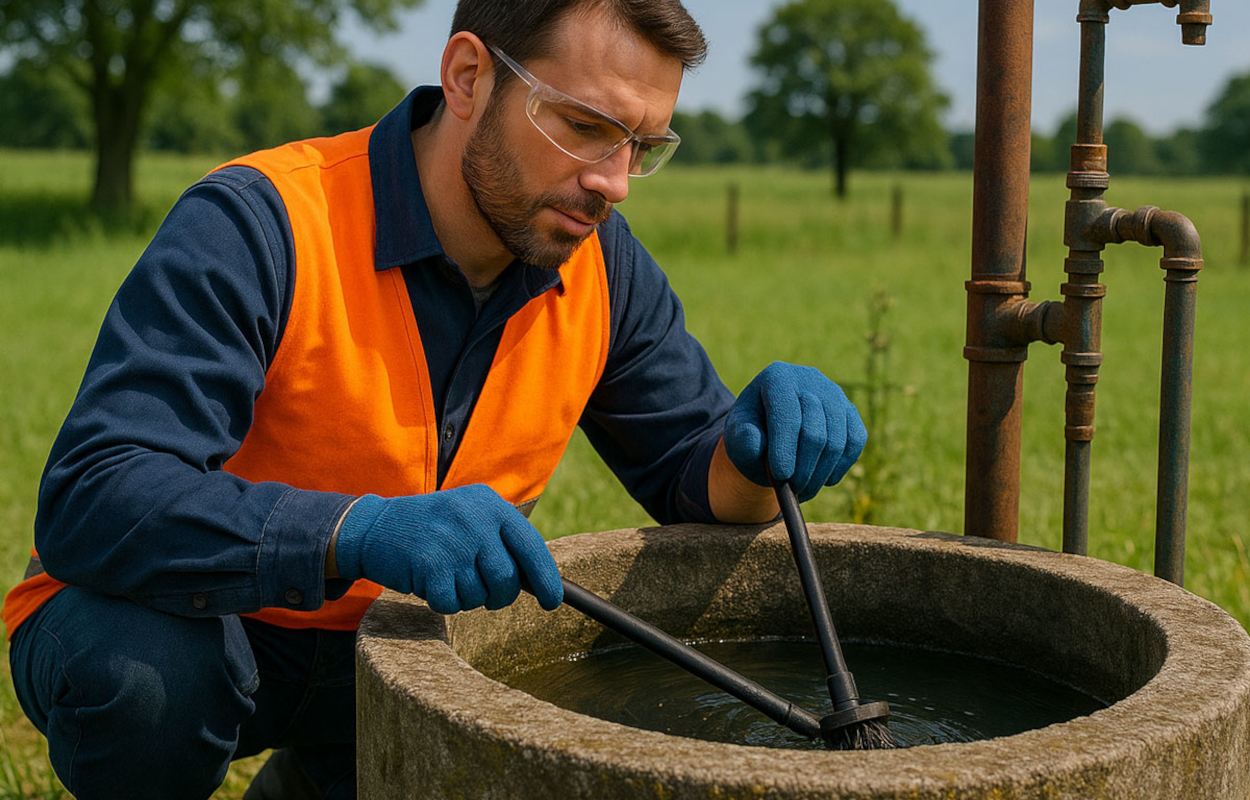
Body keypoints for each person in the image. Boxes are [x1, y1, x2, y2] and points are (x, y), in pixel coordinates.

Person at [3, 1, 867, 798]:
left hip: (401, 646)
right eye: (585, 128)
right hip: (194, 619)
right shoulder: (261, 223)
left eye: (642, 145)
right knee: (145, 678)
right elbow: (97, 493)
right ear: (467, 77)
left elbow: (691, 475)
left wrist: (754, 455)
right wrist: (357, 532)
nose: (615, 182)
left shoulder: (599, 261)